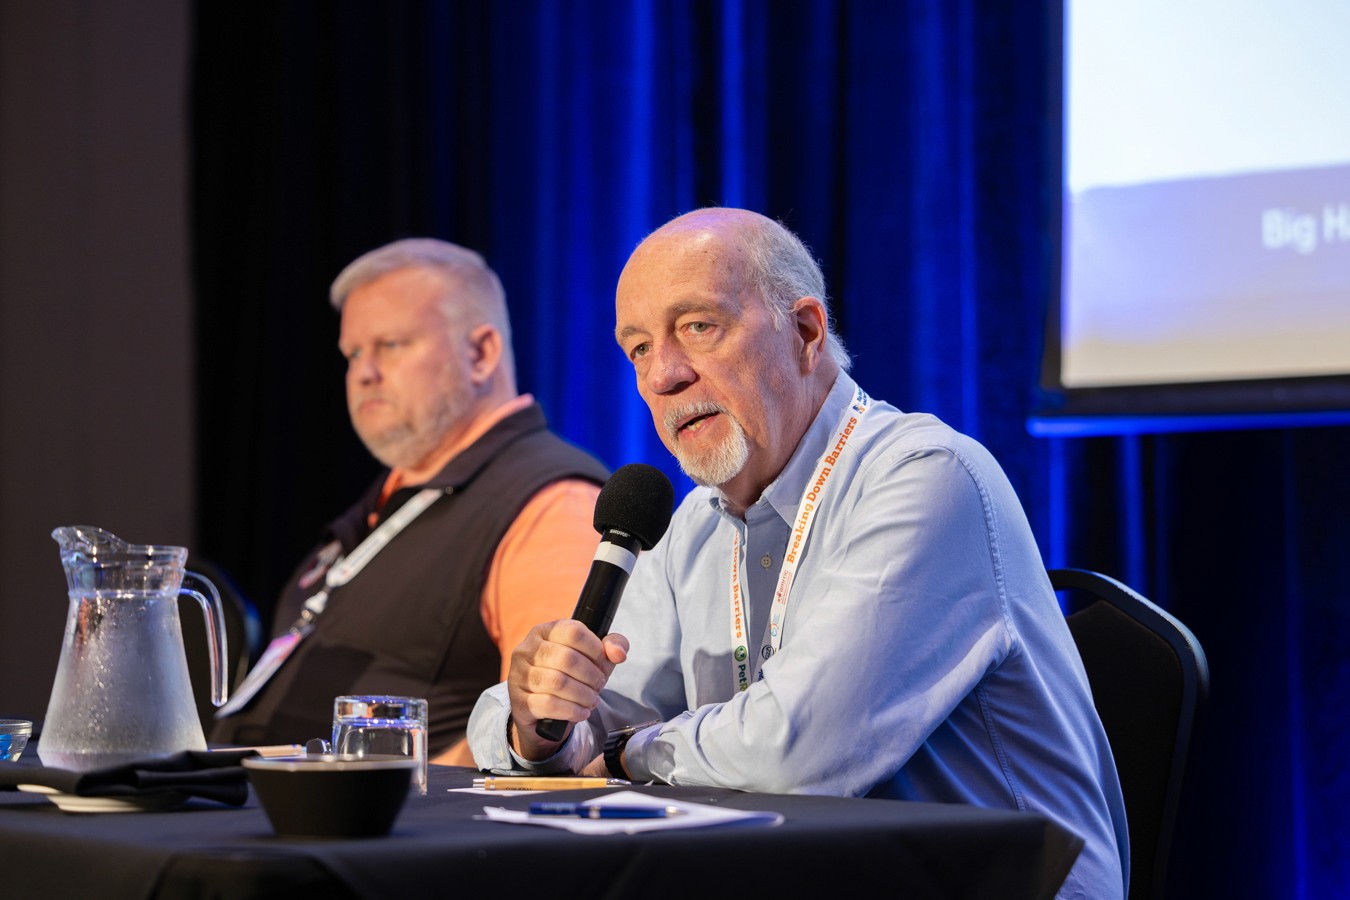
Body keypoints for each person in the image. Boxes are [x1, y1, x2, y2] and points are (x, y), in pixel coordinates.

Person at [467, 209, 1129, 898]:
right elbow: (580, 715)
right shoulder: (691, 525)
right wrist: (538, 725)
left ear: (806, 332)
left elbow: (800, 752)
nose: (662, 376)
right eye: (637, 347)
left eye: (698, 327)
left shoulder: (927, 477)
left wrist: (616, 754)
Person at [212, 238, 610, 765]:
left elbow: (552, 730)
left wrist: (382, 798)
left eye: (392, 345)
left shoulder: (549, 501)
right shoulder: (389, 500)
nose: (363, 372)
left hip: (379, 834)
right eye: (353, 353)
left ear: (480, 353)